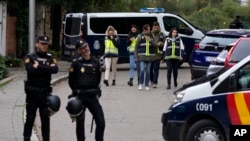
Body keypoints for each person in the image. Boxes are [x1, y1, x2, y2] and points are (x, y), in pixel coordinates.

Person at [67, 39, 105, 141]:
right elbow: (71, 81)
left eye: (86, 46)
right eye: (82, 48)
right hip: (80, 97)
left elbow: (98, 78)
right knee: (80, 124)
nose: (85, 49)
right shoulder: (75, 64)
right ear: (79, 51)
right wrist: (76, 90)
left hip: (92, 96)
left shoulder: (96, 62)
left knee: (101, 122)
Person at [23, 35, 59, 141]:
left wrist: (39, 66)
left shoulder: (50, 57)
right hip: (32, 94)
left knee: (45, 120)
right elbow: (31, 70)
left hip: (45, 94)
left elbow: (55, 70)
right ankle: (26, 138)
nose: (44, 46)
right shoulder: (30, 57)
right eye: (42, 44)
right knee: (30, 118)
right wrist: (47, 68)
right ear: (37, 44)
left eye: (46, 44)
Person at [134, 24, 158, 91]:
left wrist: (150, 40)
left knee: (148, 71)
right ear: (144, 30)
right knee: (141, 70)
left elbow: (156, 45)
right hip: (142, 56)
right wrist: (136, 56)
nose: (149, 30)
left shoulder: (151, 36)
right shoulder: (140, 36)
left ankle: (146, 85)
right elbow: (136, 47)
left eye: (149, 29)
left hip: (150, 57)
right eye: (148, 29)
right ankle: (140, 83)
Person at [150, 21, 166, 88]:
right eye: (155, 27)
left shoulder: (162, 34)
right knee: (149, 69)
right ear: (152, 27)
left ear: (159, 27)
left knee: (156, 69)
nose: (156, 28)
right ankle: (151, 80)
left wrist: (161, 44)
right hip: (150, 55)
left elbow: (165, 44)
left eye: (157, 27)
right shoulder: (149, 34)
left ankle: (155, 82)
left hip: (158, 55)